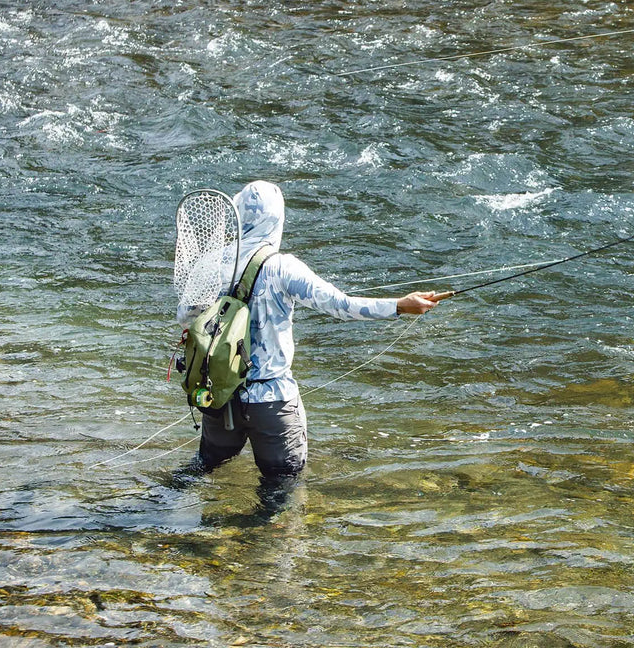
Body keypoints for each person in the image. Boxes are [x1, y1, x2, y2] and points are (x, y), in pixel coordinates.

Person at [177, 180, 449, 484]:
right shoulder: (281, 267)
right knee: (283, 491)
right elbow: (340, 305)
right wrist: (400, 305)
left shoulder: (211, 263)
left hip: (218, 396)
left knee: (202, 472)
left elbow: (187, 319)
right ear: (276, 220)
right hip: (271, 401)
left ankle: (171, 520)